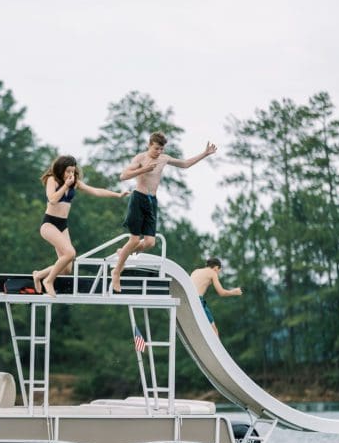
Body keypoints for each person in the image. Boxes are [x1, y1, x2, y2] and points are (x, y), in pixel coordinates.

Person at [111, 132, 217, 292]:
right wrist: (143, 169)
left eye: (161, 149)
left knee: (150, 243)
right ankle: (116, 272)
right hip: (138, 198)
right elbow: (123, 176)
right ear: (149, 145)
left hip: (152, 201)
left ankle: (124, 252)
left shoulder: (164, 159)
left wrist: (204, 154)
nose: (158, 152)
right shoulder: (140, 159)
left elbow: (185, 164)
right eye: (156, 149)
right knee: (133, 240)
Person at [32, 155, 129, 297]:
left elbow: (96, 191)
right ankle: (48, 280)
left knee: (66, 270)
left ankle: (39, 275)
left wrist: (117, 195)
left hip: (62, 225)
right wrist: (65, 185)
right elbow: (52, 200)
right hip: (49, 224)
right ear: (60, 170)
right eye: (68, 171)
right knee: (70, 253)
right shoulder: (52, 180)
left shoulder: (74, 182)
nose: (71, 174)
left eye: (73, 171)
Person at [190, 257, 242, 336]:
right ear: (216, 268)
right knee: (214, 331)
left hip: (189, 298)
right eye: (219, 271)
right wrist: (234, 292)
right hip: (198, 300)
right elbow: (221, 292)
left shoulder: (196, 271)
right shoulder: (212, 273)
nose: (218, 274)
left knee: (208, 328)